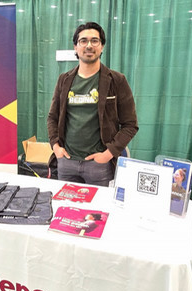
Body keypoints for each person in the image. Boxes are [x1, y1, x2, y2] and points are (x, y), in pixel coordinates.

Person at [46, 22, 138, 187]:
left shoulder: (117, 80)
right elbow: (52, 117)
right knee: (67, 209)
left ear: (102, 46)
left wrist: (108, 154)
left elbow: (130, 125)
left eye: (94, 41)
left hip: (99, 166)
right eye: (83, 41)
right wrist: (55, 147)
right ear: (76, 46)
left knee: (99, 212)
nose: (89, 45)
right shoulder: (64, 80)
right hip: (66, 163)